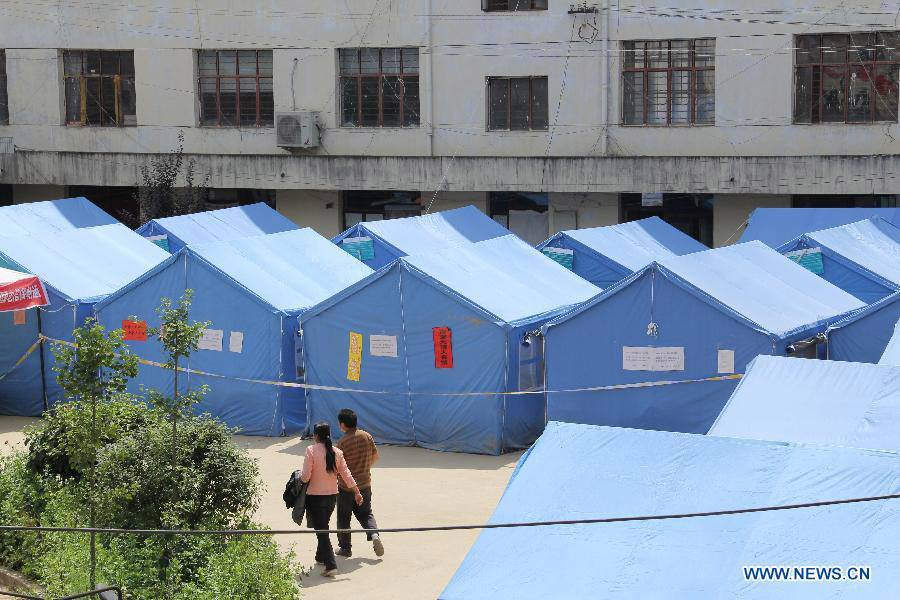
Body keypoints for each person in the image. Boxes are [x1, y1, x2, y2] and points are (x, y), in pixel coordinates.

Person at [300, 421, 364, 577]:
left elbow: (306, 476)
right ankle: (320, 557)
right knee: (323, 527)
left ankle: (331, 565)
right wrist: (357, 491)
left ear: (315, 436)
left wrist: (299, 480)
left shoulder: (311, 450)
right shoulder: (337, 452)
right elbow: (346, 474)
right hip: (331, 497)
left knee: (321, 531)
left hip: (315, 497)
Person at [335, 408, 384, 558]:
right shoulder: (367, 436)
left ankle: (345, 548)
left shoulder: (342, 443)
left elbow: (338, 467)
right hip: (365, 484)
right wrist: (363, 467)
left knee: (344, 518)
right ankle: (374, 534)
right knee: (366, 513)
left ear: (343, 424)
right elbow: (375, 457)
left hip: (346, 487)